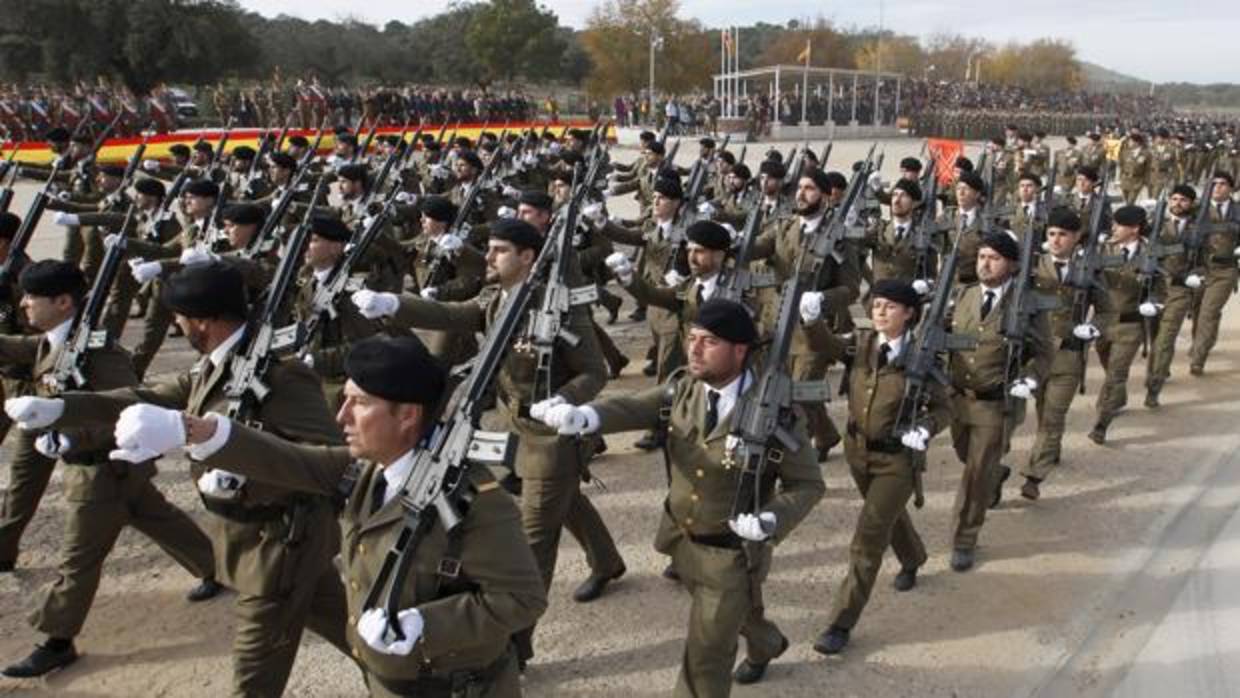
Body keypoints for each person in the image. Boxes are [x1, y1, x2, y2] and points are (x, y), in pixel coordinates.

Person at [109, 334, 548, 697]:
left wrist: (422, 624)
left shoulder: (474, 500)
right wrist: (194, 430)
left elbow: (523, 598)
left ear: (408, 415)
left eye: (359, 403)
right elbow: (292, 460)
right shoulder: (373, 470)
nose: (341, 415)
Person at [8, 261, 352, 696]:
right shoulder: (220, 362)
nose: (175, 323)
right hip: (259, 541)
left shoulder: (282, 375)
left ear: (203, 322)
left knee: (253, 674)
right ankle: (419, 682)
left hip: (281, 545)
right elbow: (147, 395)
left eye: (180, 317)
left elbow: (334, 464)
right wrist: (63, 409)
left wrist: (244, 476)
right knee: (350, 631)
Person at [352, 218, 610, 667]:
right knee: (560, 502)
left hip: (550, 437)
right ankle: (607, 560)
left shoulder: (561, 309)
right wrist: (395, 303)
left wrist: (565, 400)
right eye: (488, 249)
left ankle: (517, 648)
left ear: (528, 257)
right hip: (510, 430)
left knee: (534, 540)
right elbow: (454, 314)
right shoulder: (499, 299)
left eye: (499, 250)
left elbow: (596, 371)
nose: (488, 257)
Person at [537, 299, 824, 696]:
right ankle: (767, 643)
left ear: (740, 350)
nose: (694, 348)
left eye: (709, 341)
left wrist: (771, 520)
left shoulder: (775, 413)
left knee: (705, 658)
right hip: (682, 541)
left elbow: (809, 485)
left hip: (732, 553)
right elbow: (635, 406)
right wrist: (587, 417)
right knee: (735, 612)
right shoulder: (682, 388)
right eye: (692, 338)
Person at [0, 260, 218, 678]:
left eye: (32, 297)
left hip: (102, 470)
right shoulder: (55, 338)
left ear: (63, 302)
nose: (23, 303)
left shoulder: (100, 353)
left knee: (77, 559)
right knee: (159, 518)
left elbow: (129, 408)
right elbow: (24, 349)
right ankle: (218, 566)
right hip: (115, 475)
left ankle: (57, 640)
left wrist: (71, 438)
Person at [799, 279, 948, 656]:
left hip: (897, 458)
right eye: (877, 305)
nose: (880, 312)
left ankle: (839, 623)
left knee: (868, 537)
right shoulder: (862, 344)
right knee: (886, 516)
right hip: (857, 451)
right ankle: (913, 557)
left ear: (910, 313)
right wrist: (811, 320)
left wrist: (926, 428)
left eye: (890, 307)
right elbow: (824, 345)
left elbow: (947, 407)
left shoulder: (923, 357)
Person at [946, 232, 1051, 571]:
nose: (985, 264)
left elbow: (1044, 352)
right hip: (959, 398)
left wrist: (1030, 377)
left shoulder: (1027, 305)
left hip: (997, 402)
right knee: (967, 456)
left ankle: (964, 539)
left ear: (1012, 264)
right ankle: (997, 473)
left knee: (975, 473)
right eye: (981, 257)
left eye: (993, 258)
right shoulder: (963, 295)